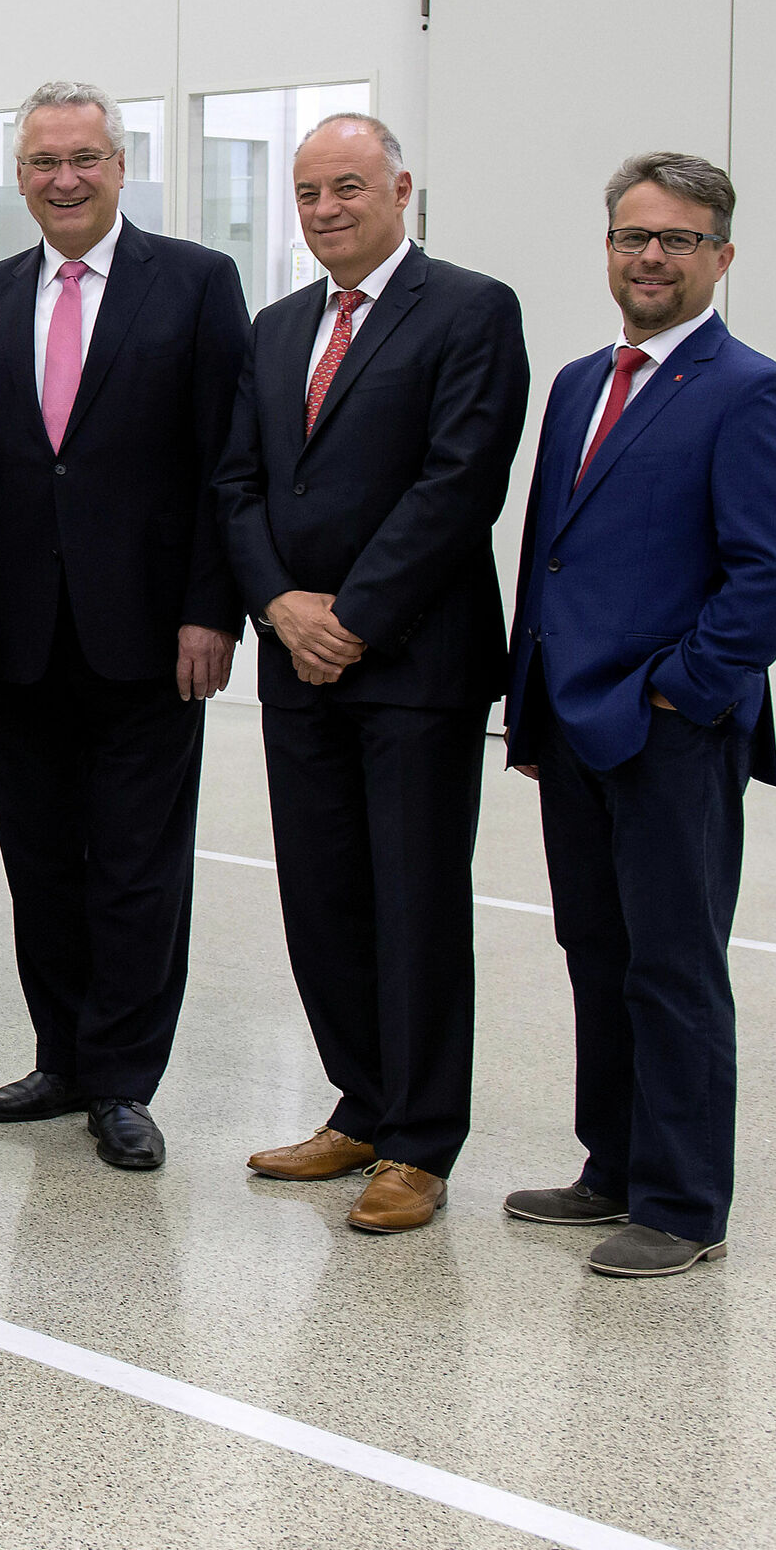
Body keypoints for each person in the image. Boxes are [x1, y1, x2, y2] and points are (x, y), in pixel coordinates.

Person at [502, 152, 776, 1279]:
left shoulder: (753, 391)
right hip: (574, 723)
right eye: (633, 236)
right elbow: (552, 553)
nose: (651, 257)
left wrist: (683, 688)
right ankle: (614, 1165)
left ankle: (683, 1202)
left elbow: (775, 573)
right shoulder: (583, 381)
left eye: (678, 240)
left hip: (671, 731)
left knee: (674, 962)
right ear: (607, 250)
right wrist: (530, 707)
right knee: (597, 949)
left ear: (721, 257)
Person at [215, 113, 529, 1234]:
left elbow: (460, 482)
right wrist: (277, 605)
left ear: (401, 186)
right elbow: (237, 483)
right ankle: (363, 1100)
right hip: (299, 663)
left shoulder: (471, 309)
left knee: (416, 903)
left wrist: (350, 615)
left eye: (348, 186)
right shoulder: (275, 326)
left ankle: (422, 1140)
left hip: (412, 665)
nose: (327, 209)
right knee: (323, 898)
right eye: (308, 193)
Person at [0, 82, 251, 1173]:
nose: (63, 179)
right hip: (18, 640)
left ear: (122, 165)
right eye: (41, 162)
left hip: (152, 637)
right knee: (41, 861)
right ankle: (61, 1054)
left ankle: (122, 1080)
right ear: (18, 177)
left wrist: (213, 606)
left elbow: (228, 464)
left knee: (135, 866)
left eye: (83, 158)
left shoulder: (199, 285)